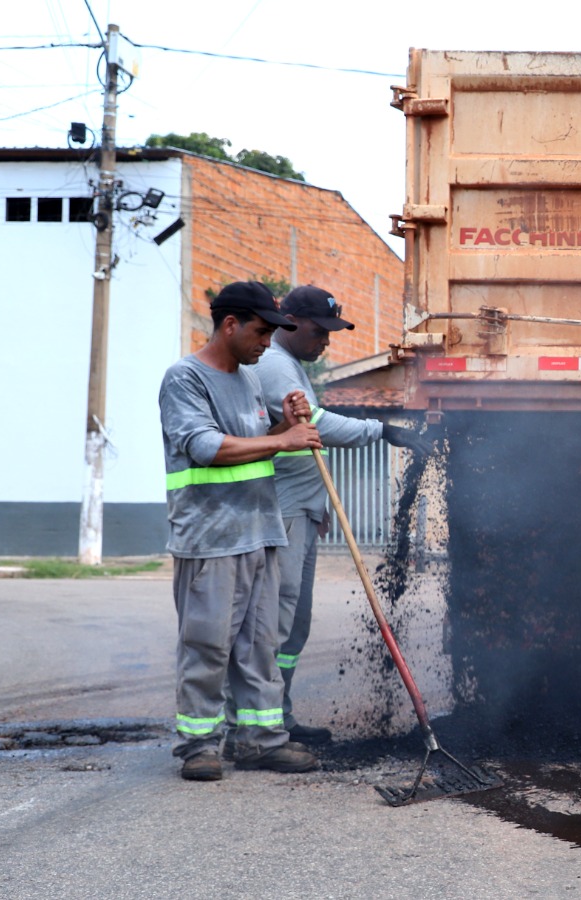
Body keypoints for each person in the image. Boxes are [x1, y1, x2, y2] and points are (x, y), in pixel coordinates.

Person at [242, 285, 431, 745]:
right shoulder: (273, 366)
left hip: (301, 510)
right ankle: (258, 726)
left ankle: (278, 717)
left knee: (295, 622)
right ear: (291, 322)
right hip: (281, 513)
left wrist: (318, 505)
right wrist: (383, 430)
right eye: (319, 331)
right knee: (277, 620)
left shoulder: (291, 366)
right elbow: (315, 425)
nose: (326, 341)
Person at [159, 281, 323, 781]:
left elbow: (255, 446)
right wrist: (288, 437)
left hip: (260, 531)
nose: (267, 342)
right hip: (211, 537)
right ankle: (198, 746)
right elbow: (208, 448)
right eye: (261, 330)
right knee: (207, 645)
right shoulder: (185, 378)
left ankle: (259, 740)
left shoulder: (250, 381)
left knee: (259, 649)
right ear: (229, 324)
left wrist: (282, 430)